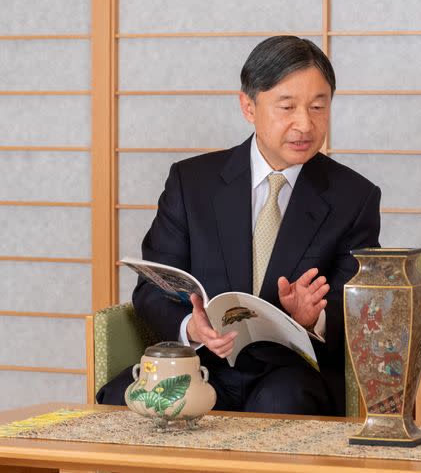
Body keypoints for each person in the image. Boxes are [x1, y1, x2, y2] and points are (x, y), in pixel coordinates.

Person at [97, 36, 381, 416]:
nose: (305, 123)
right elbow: (152, 288)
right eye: (287, 106)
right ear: (248, 105)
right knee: (119, 400)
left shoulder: (353, 196)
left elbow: (359, 306)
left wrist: (314, 318)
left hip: (291, 372)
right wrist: (191, 328)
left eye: (318, 106)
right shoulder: (192, 182)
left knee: (280, 404)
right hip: (201, 365)